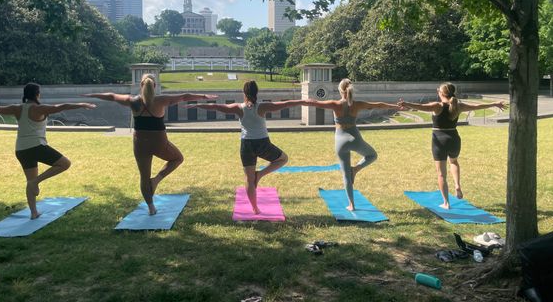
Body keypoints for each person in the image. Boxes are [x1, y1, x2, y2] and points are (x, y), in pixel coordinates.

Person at [84, 74, 217, 215]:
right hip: (159, 142)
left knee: (144, 176)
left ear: (141, 86)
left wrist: (92, 94)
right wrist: (204, 96)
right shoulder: (160, 100)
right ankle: (157, 180)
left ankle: (151, 208)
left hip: (140, 143)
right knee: (178, 159)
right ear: (154, 86)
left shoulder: (133, 101)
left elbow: (111, 96)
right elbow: (184, 96)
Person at [0, 83, 96, 219]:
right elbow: (61, 107)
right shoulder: (39, 108)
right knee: (65, 164)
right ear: (37, 94)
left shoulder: (17, 108)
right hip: (36, 146)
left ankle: (34, 213)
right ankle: (36, 182)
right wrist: (81, 104)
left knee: (30, 180)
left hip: (21, 149)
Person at [187, 80, 309, 214]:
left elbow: (217, 107)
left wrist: (197, 105)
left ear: (244, 92)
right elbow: (285, 104)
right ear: (257, 92)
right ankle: (260, 174)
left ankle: (255, 209)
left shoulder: (238, 107)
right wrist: (304, 101)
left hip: (246, 145)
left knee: (249, 180)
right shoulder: (262, 107)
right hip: (262, 143)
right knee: (283, 159)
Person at [398, 82, 506, 209]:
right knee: (454, 162)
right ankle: (457, 186)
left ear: (441, 93)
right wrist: (494, 104)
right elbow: (477, 106)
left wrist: (406, 104)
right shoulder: (458, 105)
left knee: (441, 174)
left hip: (439, 140)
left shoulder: (437, 106)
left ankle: (446, 203)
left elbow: (421, 106)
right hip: (454, 139)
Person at [305, 78, 402, 211]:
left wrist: (300, 101)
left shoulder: (335, 104)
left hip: (340, 141)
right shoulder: (357, 104)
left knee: (345, 175)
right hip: (355, 139)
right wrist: (396, 107)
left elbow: (314, 103)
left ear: (340, 90)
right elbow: (378, 105)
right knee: (372, 155)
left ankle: (352, 205)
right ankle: (356, 169)